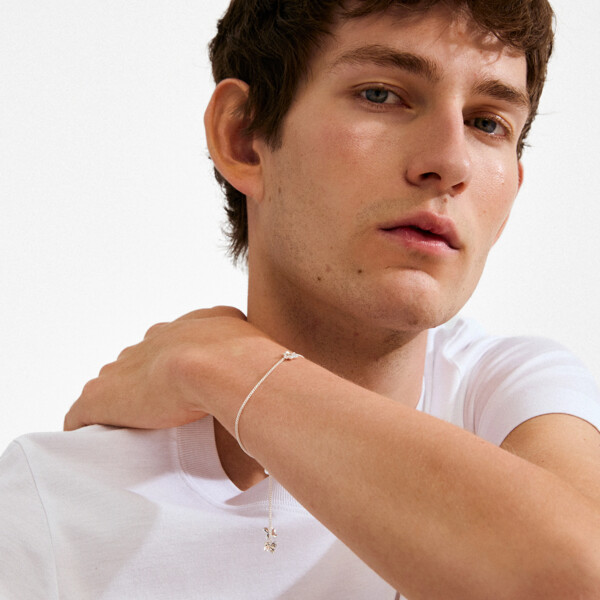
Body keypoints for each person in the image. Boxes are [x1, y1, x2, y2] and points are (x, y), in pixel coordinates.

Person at [2, 0, 600, 598]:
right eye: (381, 95)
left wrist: (224, 364)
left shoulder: (507, 397)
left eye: (488, 123)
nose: (450, 163)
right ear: (244, 138)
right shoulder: (52, 510)